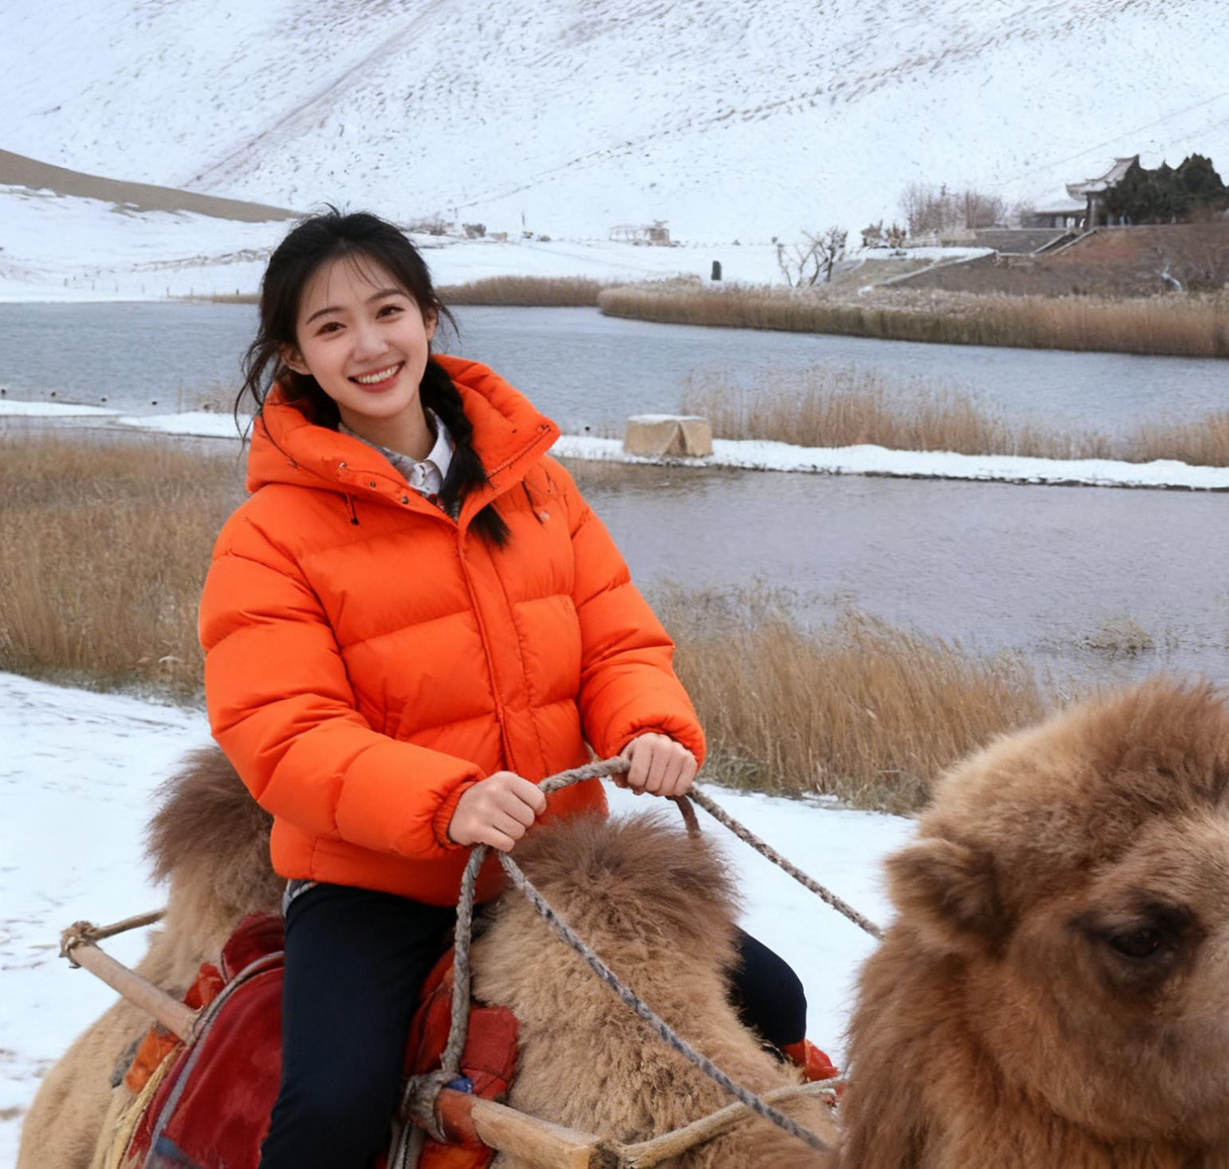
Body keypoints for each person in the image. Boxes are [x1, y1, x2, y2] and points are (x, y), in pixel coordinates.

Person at [198, 210, 830, 1167]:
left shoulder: (538, 489)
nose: (369, 345)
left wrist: (651, 726)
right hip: (380, 880)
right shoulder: (270, 536)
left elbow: (617, 638)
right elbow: (281, 732)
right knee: (331, 1110)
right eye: (331, 327)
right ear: (294, 353)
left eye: (388, 310)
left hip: (557, 862)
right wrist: (442, 801)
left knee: (775, 1002)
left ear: (428, 317)